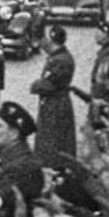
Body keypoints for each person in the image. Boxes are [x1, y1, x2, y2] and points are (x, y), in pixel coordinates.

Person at [30, 23, 79, 172]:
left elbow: (48, 84)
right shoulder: (58, 57)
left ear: (52, 41)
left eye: (45, 38)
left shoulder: (61, 60)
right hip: (53, 104)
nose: (42, 42)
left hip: (56, 106)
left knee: (54, 140)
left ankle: (54, 169)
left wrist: (36, 85)